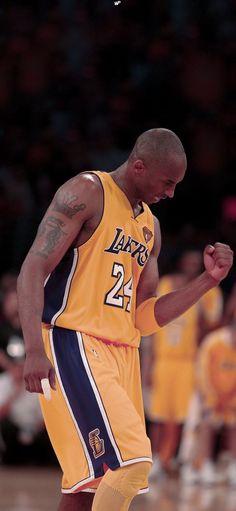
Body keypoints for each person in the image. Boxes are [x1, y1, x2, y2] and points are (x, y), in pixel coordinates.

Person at [17, 128, 233, 511]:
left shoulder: (151, 228)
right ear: (138, 167)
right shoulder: (87, 192)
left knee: (87, 486)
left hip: (122, 355)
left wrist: (207, 281)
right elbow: (33, 267)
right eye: (167, 182)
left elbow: (142, 317)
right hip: (75, 344)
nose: (171, 193)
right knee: (134, 462)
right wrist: (34, 346)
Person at [143, 249, 223, 477]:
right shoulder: (167, 283)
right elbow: (150, 322)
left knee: (181, 417)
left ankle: (172, 460)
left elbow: (213, 326)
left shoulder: (208, 291)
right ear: (181, 262)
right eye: (188, 261)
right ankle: (155, 459)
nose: (191, 265)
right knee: (158, 416)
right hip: (163, 360)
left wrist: (200, 316)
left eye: (196, 262)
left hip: (188, 362)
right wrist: (147, 364)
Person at [181, 320, 236, 486]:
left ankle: (233, 466)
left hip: (230, 399)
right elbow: (202, 372)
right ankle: (202, 465)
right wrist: (211, 400)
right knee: (206, 421)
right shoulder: (213, 342)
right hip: (206, 397)